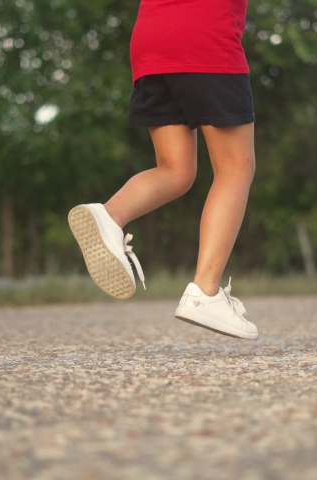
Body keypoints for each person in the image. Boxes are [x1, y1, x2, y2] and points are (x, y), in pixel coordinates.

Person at [67, 0, 258, 339]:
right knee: (235, 168)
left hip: (151, 45)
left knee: (175, 170)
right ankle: (205, 291)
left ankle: (109, 215)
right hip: (206, 40)